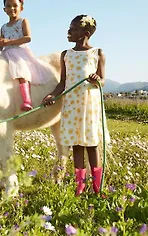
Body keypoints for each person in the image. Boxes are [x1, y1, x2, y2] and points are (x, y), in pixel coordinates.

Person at [42, 14, 110, 196]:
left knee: (92, 144)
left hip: (90, 104)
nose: (69, 31)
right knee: (76, 145)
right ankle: (79, 186)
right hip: (72, 104)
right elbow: (62, 82)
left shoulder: (97, 53)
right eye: (69, 28)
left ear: (85, 33)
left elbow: (102, 80)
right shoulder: (66, 55)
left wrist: (97, 80)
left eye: (73, 29)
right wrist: (53, 95)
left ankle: (97, 187)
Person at [0, 0, 50, 111]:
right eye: (8, 6)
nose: (12, 8)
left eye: (15, 5)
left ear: (21, 7)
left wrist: (9, 42)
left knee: (21, 73)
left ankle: (27, 100)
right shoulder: (3, 27)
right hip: (6, 53)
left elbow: (28, 38)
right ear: (4, 9)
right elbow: (1, 45)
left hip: (19, 53)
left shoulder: (23, 21)